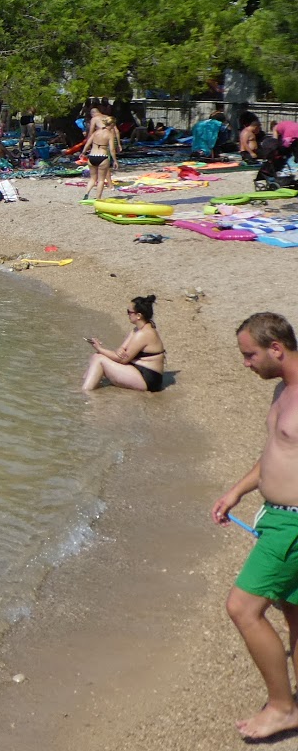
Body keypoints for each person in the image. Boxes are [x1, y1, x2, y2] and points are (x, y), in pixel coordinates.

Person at [212, 313, 298, 739]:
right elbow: (275, 455)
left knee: (242, 608)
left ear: (276, 349)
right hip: (278, 519)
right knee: (295, 614)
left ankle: (283, 707)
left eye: (250, 355)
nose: (246, 364)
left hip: (294, 528)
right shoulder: (284, 390)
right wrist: (237, 491)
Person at [81, 295, 166, 392]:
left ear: (138, 315)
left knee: (99, 358)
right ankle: (85, 384)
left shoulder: (143, 334)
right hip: (137, 370)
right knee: (96, 356)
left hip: (148, 379)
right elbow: (121, 349)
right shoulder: (136, 330)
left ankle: (85, 392)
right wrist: (120, 350)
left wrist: (100, 348)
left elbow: (122, 360)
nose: (128, 315)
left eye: (129, 312)